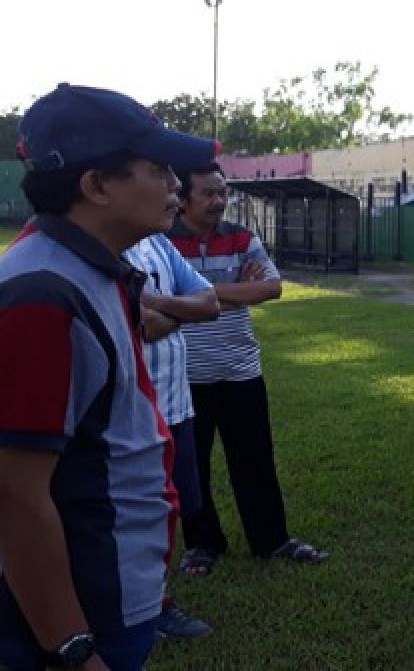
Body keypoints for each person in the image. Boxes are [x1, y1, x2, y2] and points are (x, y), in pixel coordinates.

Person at [0, 83, 217, 671]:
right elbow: (16, 495)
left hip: (116, 590)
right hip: (81, 614)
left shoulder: (93, 269)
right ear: (95, 186)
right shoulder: (42, 294)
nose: (177, 184)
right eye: (157, 168)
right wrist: (72, 646)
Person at [167, 162, 329, 576]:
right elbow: (153, 296)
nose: (220, 201)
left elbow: (272, 287)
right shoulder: (163, 243)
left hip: (241, 371)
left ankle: (271, 540)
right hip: (185, 379)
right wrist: (236, 289)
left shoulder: (241, 237)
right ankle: (202, 544)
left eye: (223, 193)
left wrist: (196, 292)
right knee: (192, 467)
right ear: (183, 199)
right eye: (209, 194)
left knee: (254, 459)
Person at [125, 234, 220, 639]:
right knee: (134, 516)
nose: (172, 190)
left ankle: (154, 603)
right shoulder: (107, 245)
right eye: (158, 174)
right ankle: (137, 610)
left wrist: (161, 304)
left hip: (177, 406)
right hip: (134, 412)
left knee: (171, 508)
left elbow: (211, 302)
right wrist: (183, 310)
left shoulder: (159, 244)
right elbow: (140, 326)